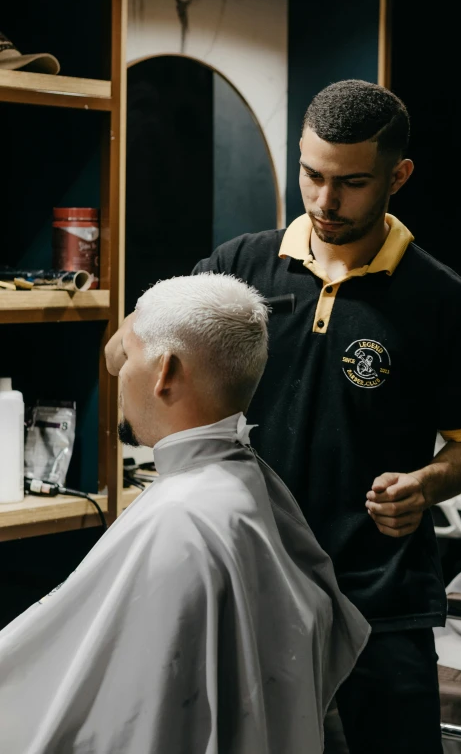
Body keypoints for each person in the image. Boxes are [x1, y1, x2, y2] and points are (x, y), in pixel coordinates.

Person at [188, 80, 461, 753]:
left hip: (379, 599)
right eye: (312, 175)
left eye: (351, 182)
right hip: (252, 583)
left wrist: (426, 484)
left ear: (399, 174)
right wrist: (139, 337)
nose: (325, 201)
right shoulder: (238, 268)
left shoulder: (442, 301)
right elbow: (137, 349)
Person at [0, 273, 369, 754]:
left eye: (129, 358)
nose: (116, 373)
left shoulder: (180, 521)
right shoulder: (245, 483)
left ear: (165, 372)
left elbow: (131, 718)